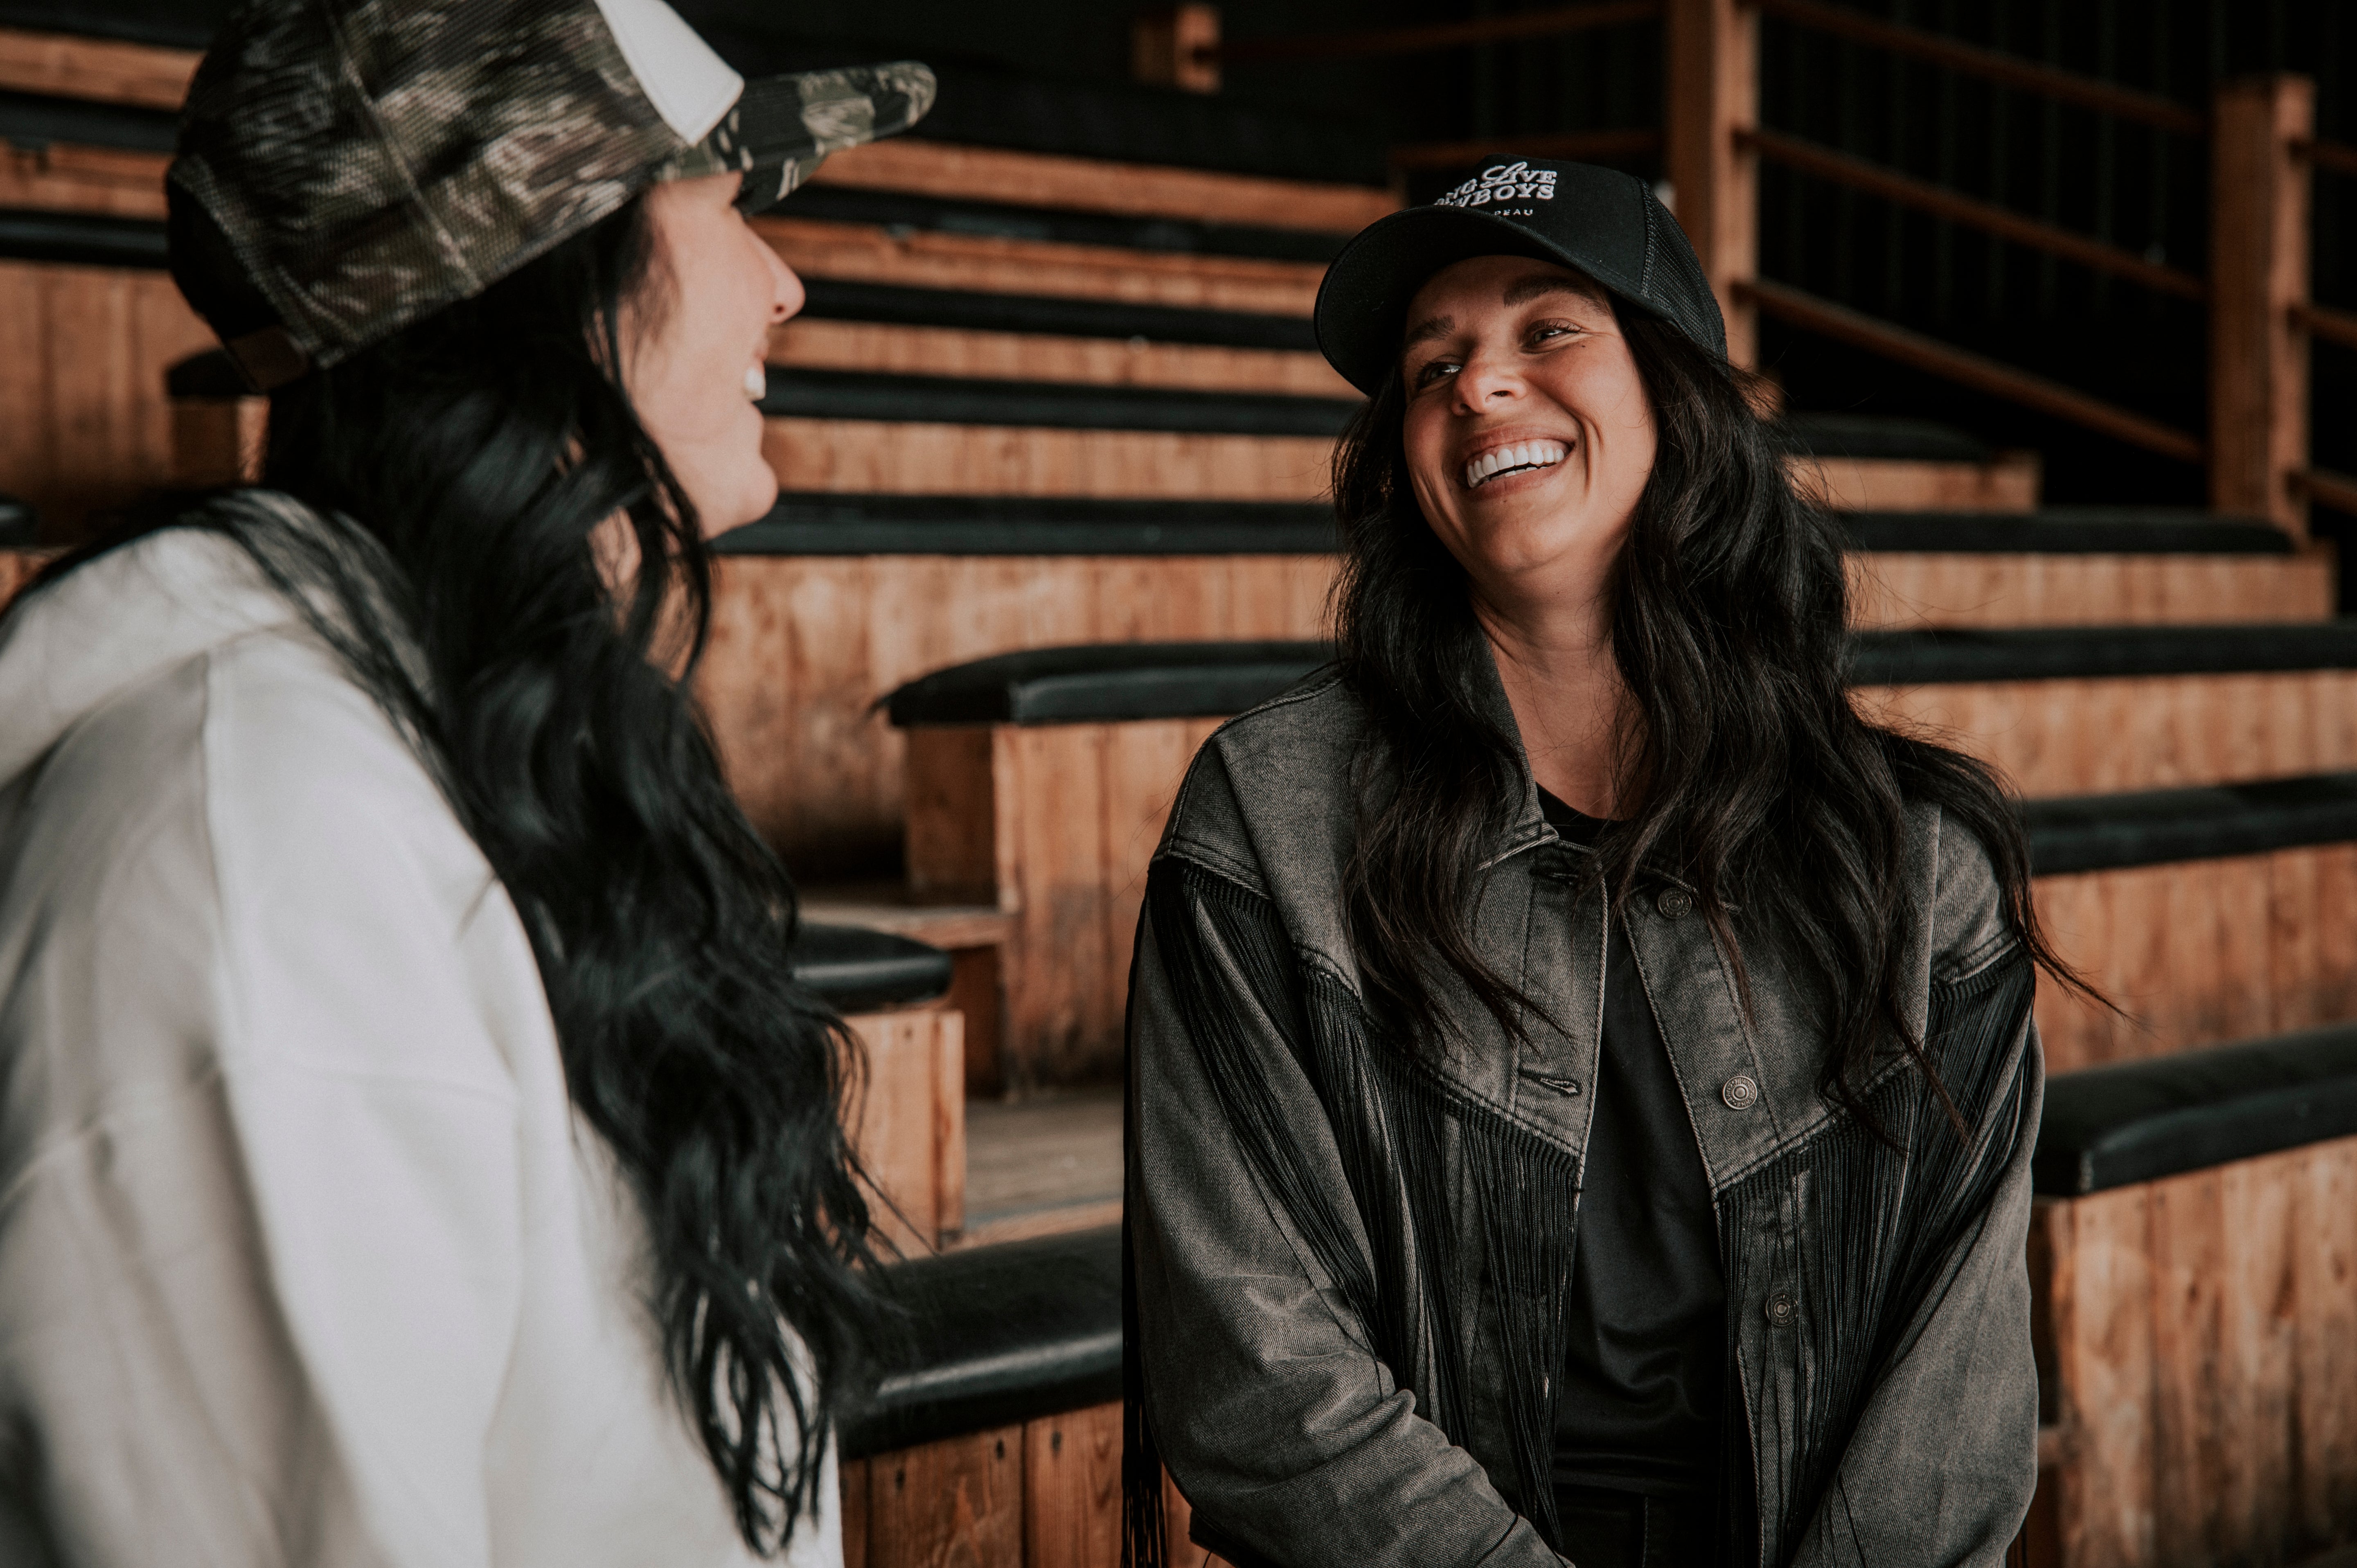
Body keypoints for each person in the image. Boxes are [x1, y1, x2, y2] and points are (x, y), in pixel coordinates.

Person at [0, 2, 933, 1563]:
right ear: (544, 271)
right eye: (717, 203)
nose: (785, 282)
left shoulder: (463, 743)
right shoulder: (264, 858)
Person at [1123, 159, 2060, 1568]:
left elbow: (1955, 1404)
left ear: (1675, 396)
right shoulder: (1268, 820)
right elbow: (1259, 1380)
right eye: (1433, 363)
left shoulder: (1921, 864)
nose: (1478, 386)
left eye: (1547, 329)